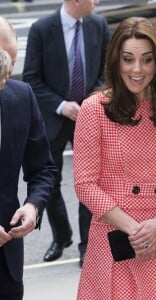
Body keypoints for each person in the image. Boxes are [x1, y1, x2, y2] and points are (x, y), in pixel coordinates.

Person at [73, 16, 156, 299]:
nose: (137, 69)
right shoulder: (94, 109)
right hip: (113, 236)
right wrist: (136, 232)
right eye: (128, 59)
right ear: (116, 61)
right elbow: (85, 184)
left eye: (146, 59)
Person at [23, 0, 110, 267]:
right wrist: (61, 106)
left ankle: (87, 245)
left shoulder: (99, 24)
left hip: (89, 114)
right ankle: (62, 236)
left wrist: (89, 102)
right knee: (47, 181)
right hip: (53, 118)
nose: (97, 1)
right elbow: (31, 78)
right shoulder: (42, 28)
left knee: (89, 182)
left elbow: (106, 73)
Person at [0, 16, 56, 300]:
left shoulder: (21, 96)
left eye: (12, 62)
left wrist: (33, 206)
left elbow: (43, 168)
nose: (8, 75)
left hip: (6, 265)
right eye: (1, 63)